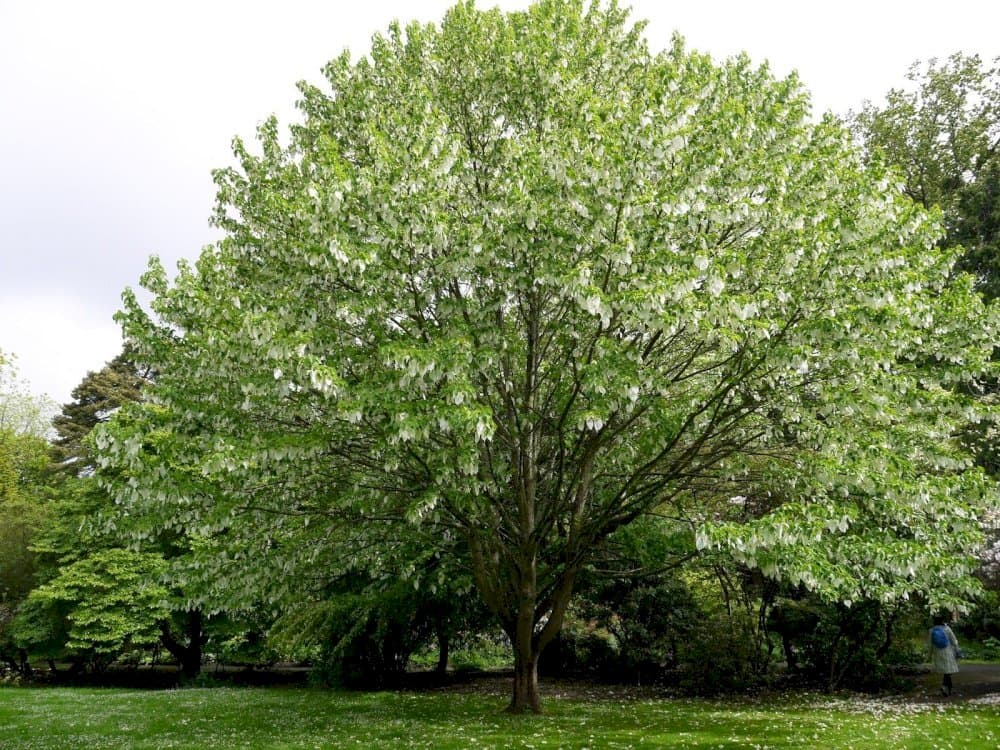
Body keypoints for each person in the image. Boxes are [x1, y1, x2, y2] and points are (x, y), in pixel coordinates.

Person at [928, 614, 961, 696]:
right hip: (947, 651)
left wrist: (929, 655)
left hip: (938, 653)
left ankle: (948, 688)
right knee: (948, 671)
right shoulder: (947, 629)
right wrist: (957, 649)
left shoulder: (931, 630)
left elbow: (930, 644)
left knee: (946, 671)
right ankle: (945, 686)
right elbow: (954, 640)